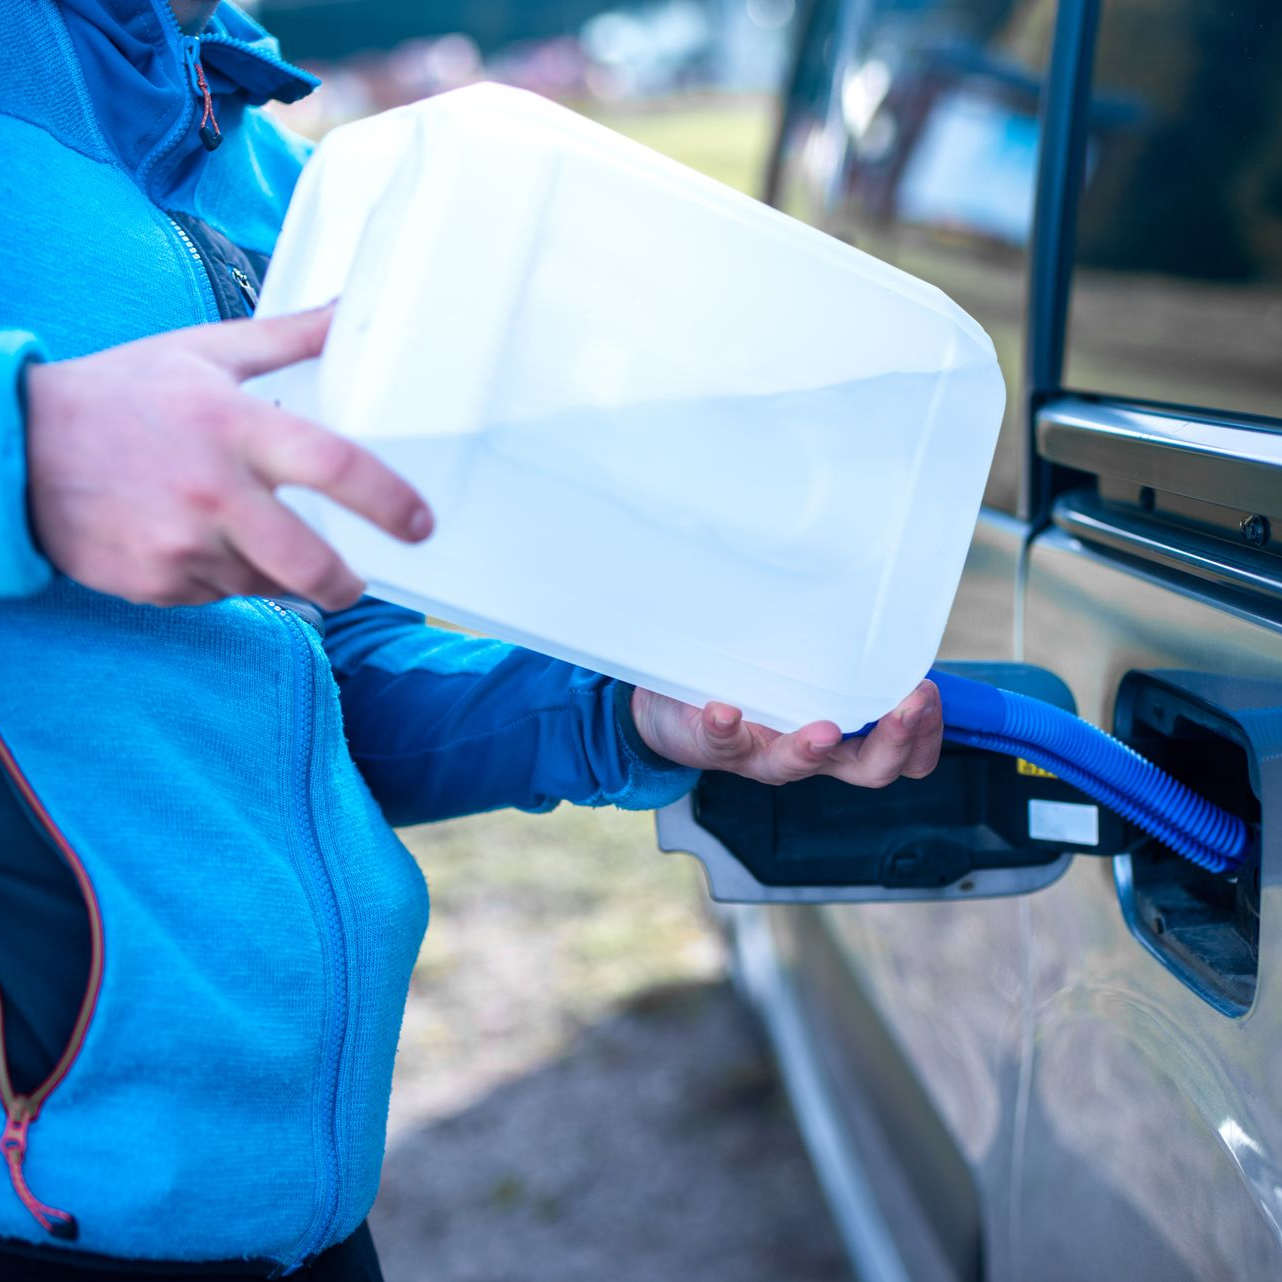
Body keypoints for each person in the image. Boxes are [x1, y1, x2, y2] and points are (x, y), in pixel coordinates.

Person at [0, 1, 944, 1278]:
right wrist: (33, 450)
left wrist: (624, 715)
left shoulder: (275, 168)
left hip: (296, 1218)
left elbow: (321, 671)